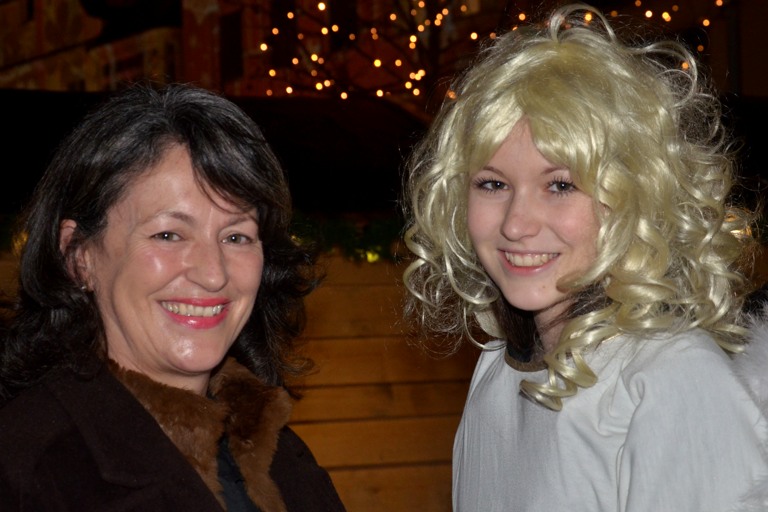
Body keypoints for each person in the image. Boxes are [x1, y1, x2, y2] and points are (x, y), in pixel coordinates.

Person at [401, 4, 768, 511]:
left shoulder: (673, 379)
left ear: (633, 197)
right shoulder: (498, 366)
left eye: (560, 185)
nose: (515, 224)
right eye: (493, 184)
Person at [0, 82, 346, 511]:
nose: (213, 274)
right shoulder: (27, 469)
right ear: (78, 255)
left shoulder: (283, 459)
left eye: (236, 236)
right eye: (168, 234)